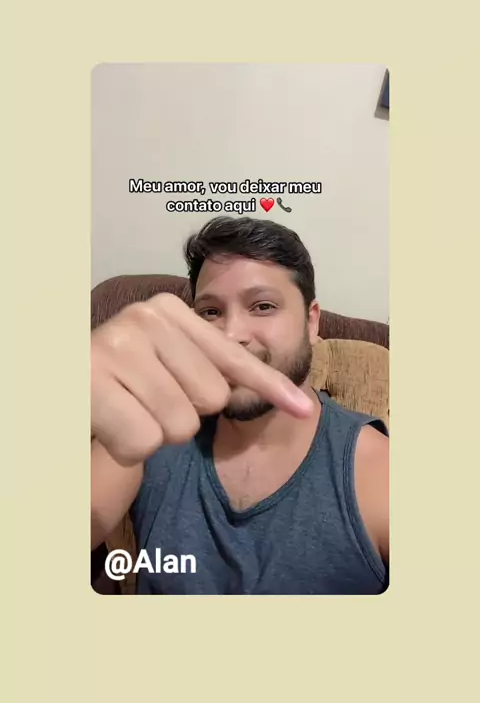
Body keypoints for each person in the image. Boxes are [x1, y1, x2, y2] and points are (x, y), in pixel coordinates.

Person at [91, 217, 389, 594]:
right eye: (210, 312)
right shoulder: (152, 428)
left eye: (262, 306)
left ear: (311, 322)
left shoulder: (378, 471)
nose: (231, 336)